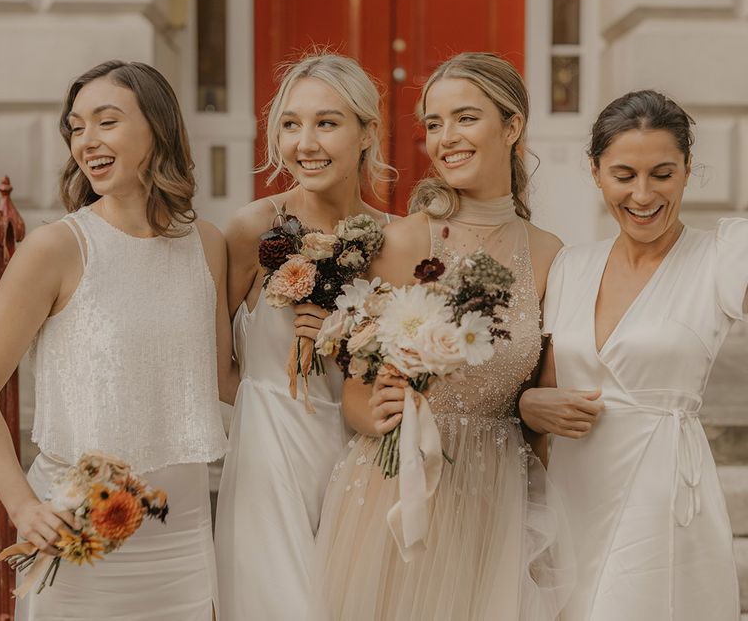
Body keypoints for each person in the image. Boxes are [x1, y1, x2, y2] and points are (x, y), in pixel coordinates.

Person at [309, 52, 574, 620]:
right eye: (433, 124)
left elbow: (540, 399)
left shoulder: (550, 254)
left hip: (497, 492)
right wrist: (371, 409)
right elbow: (354, 391)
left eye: (465, 118)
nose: (445, 137)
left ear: (513, 126)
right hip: (400, 487)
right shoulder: (404, 243)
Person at [0, 60, 229, 619]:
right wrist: (23, 507)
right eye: (76, 127)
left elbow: (226, 378)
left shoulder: (207, 246)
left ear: (158, 129)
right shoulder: (56, 249)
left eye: (106, 121)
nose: (86, 140)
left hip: (183, 534)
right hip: (77, 535)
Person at [519, 89, 745, 620]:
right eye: (624, 175)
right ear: (596, 171)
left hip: (660, 493)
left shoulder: (722, 259)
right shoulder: (570, 266)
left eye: (662, 174)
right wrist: (530, 404)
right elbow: (542, 388)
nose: (643, 194)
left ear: (688, 170)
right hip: (573, 492)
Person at [214, 52, 394, 621]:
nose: (305, 142)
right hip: (271, 458)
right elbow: (218, 367)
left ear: (367, 132)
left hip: (364, 460)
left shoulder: (398, 241)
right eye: (291, 124)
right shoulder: (250, 230)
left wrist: (350, 342)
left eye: (327, 122)